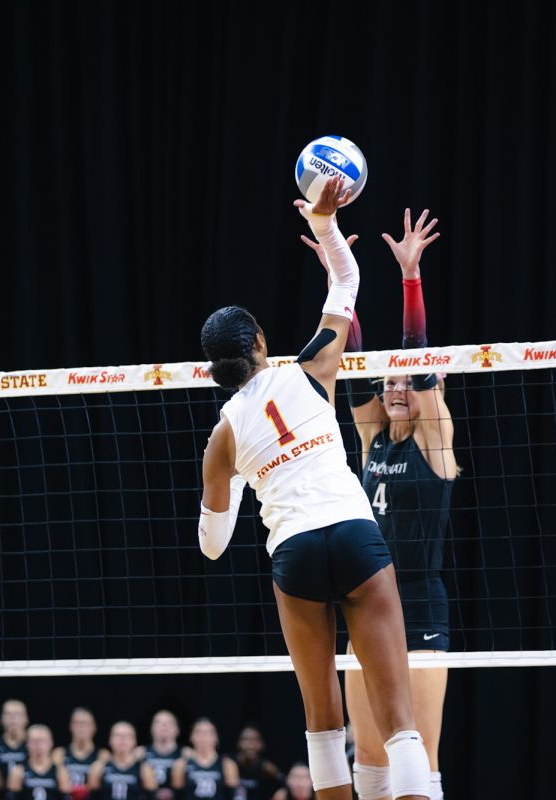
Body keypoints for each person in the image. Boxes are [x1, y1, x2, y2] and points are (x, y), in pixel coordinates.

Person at [198, 177, 431, 800]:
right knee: (399, 723)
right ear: (261, 347)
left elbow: (214, 547)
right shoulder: (310, 371)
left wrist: (251, 473)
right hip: (354, 535)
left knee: (323, 725)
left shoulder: (222, 439)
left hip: (295, 553)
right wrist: (326, 224)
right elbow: (347, 285)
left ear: (214, 367)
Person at [304, 207, 452, 800]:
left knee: (420, 752)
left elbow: (414, 366)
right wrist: (343, 275)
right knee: (368, 759)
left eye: (403, 383)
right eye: (385, 383)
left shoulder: (437, 443)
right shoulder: (368, 439)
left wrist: (409, 277)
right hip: (367, 601)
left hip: (420, 606)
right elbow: (358, 363)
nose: (393, 389)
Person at [169, 719, 238, 800]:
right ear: (191, 737)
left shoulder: (228, 764)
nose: (203, 737)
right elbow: (177, 795)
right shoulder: (181, 764)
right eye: (199, 732)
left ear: (216, 738)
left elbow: (232, 795)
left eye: (208, 733)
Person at [51, 709, 105, 800]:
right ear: (71, 726)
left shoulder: (103, 755)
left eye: (86, 723)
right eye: (78, 723)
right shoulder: (59, 754)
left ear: (94, 727)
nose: (81, 727)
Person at [6, 725, 69, 800]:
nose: (39, 745)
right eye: (35, 741)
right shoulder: (18, 771)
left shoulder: (60, 771)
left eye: (43, 741)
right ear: (27, 744)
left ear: (51, 743)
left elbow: (65, 797)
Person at [87, 722, 143, 800]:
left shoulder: (143, 768)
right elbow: (92, 795)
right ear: (110, 740)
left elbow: (150, 795)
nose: (122, 739)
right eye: (118, 735)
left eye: (127, 736)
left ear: (134, 741)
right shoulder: (99, 766)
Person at [138, 711, 184, 800]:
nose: (164, 726)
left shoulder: (187, 754)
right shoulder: (139, 753)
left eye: (169, 723)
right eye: (158, 722)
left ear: (177, 729)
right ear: (151, 728)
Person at [233, 725, 281, 800]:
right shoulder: (229, 764)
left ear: (262, 745)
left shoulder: (268, 770)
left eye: (255, 740)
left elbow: (284, 785)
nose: (250, 744)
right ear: (239, 743)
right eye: (246, 739)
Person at [0, 701, 29, 773]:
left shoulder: (34, 743)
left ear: (26, 718)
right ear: (2, 719)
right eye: (8, 714)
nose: (13, 718)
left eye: (18, 714)